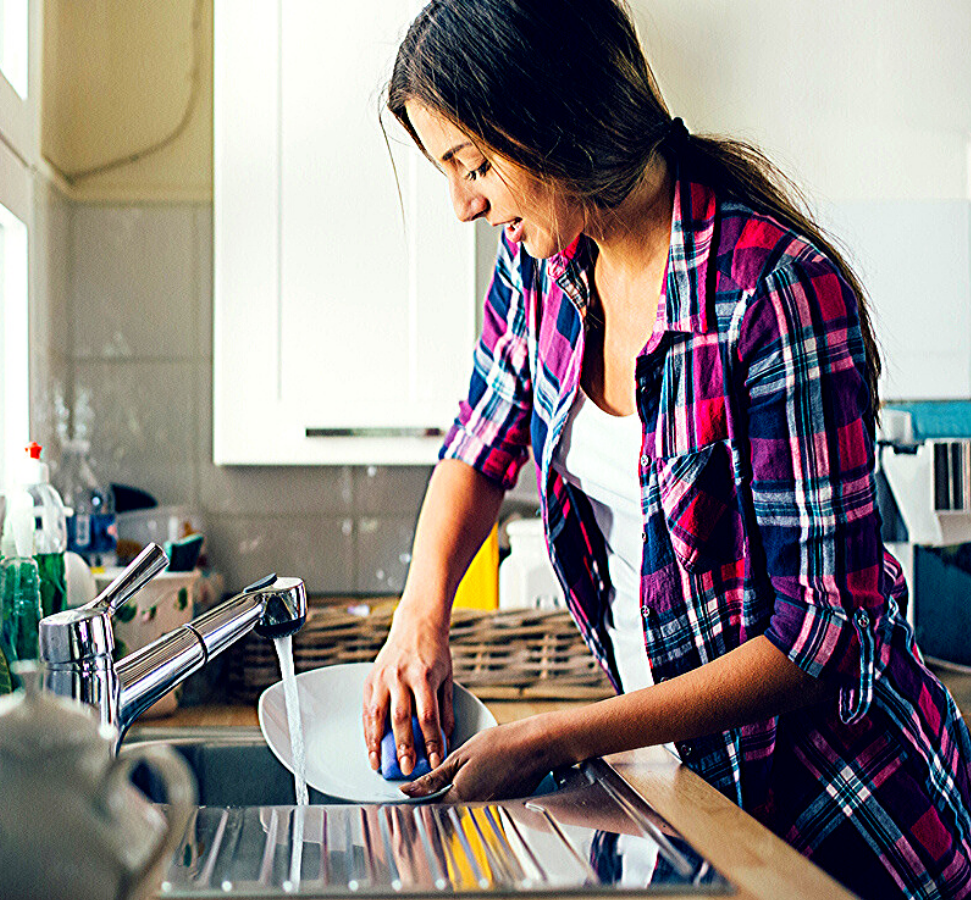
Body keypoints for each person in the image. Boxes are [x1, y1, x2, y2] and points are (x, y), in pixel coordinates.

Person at [360, 1, 971, 897]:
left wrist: (564, 733)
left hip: (845, 818)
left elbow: (822, 634)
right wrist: (420, 617)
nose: (462, 205)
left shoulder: (775, 295)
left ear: (558, 120)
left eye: (476, 164)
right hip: (679, 791)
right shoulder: (540, 273)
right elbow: (481, 440)